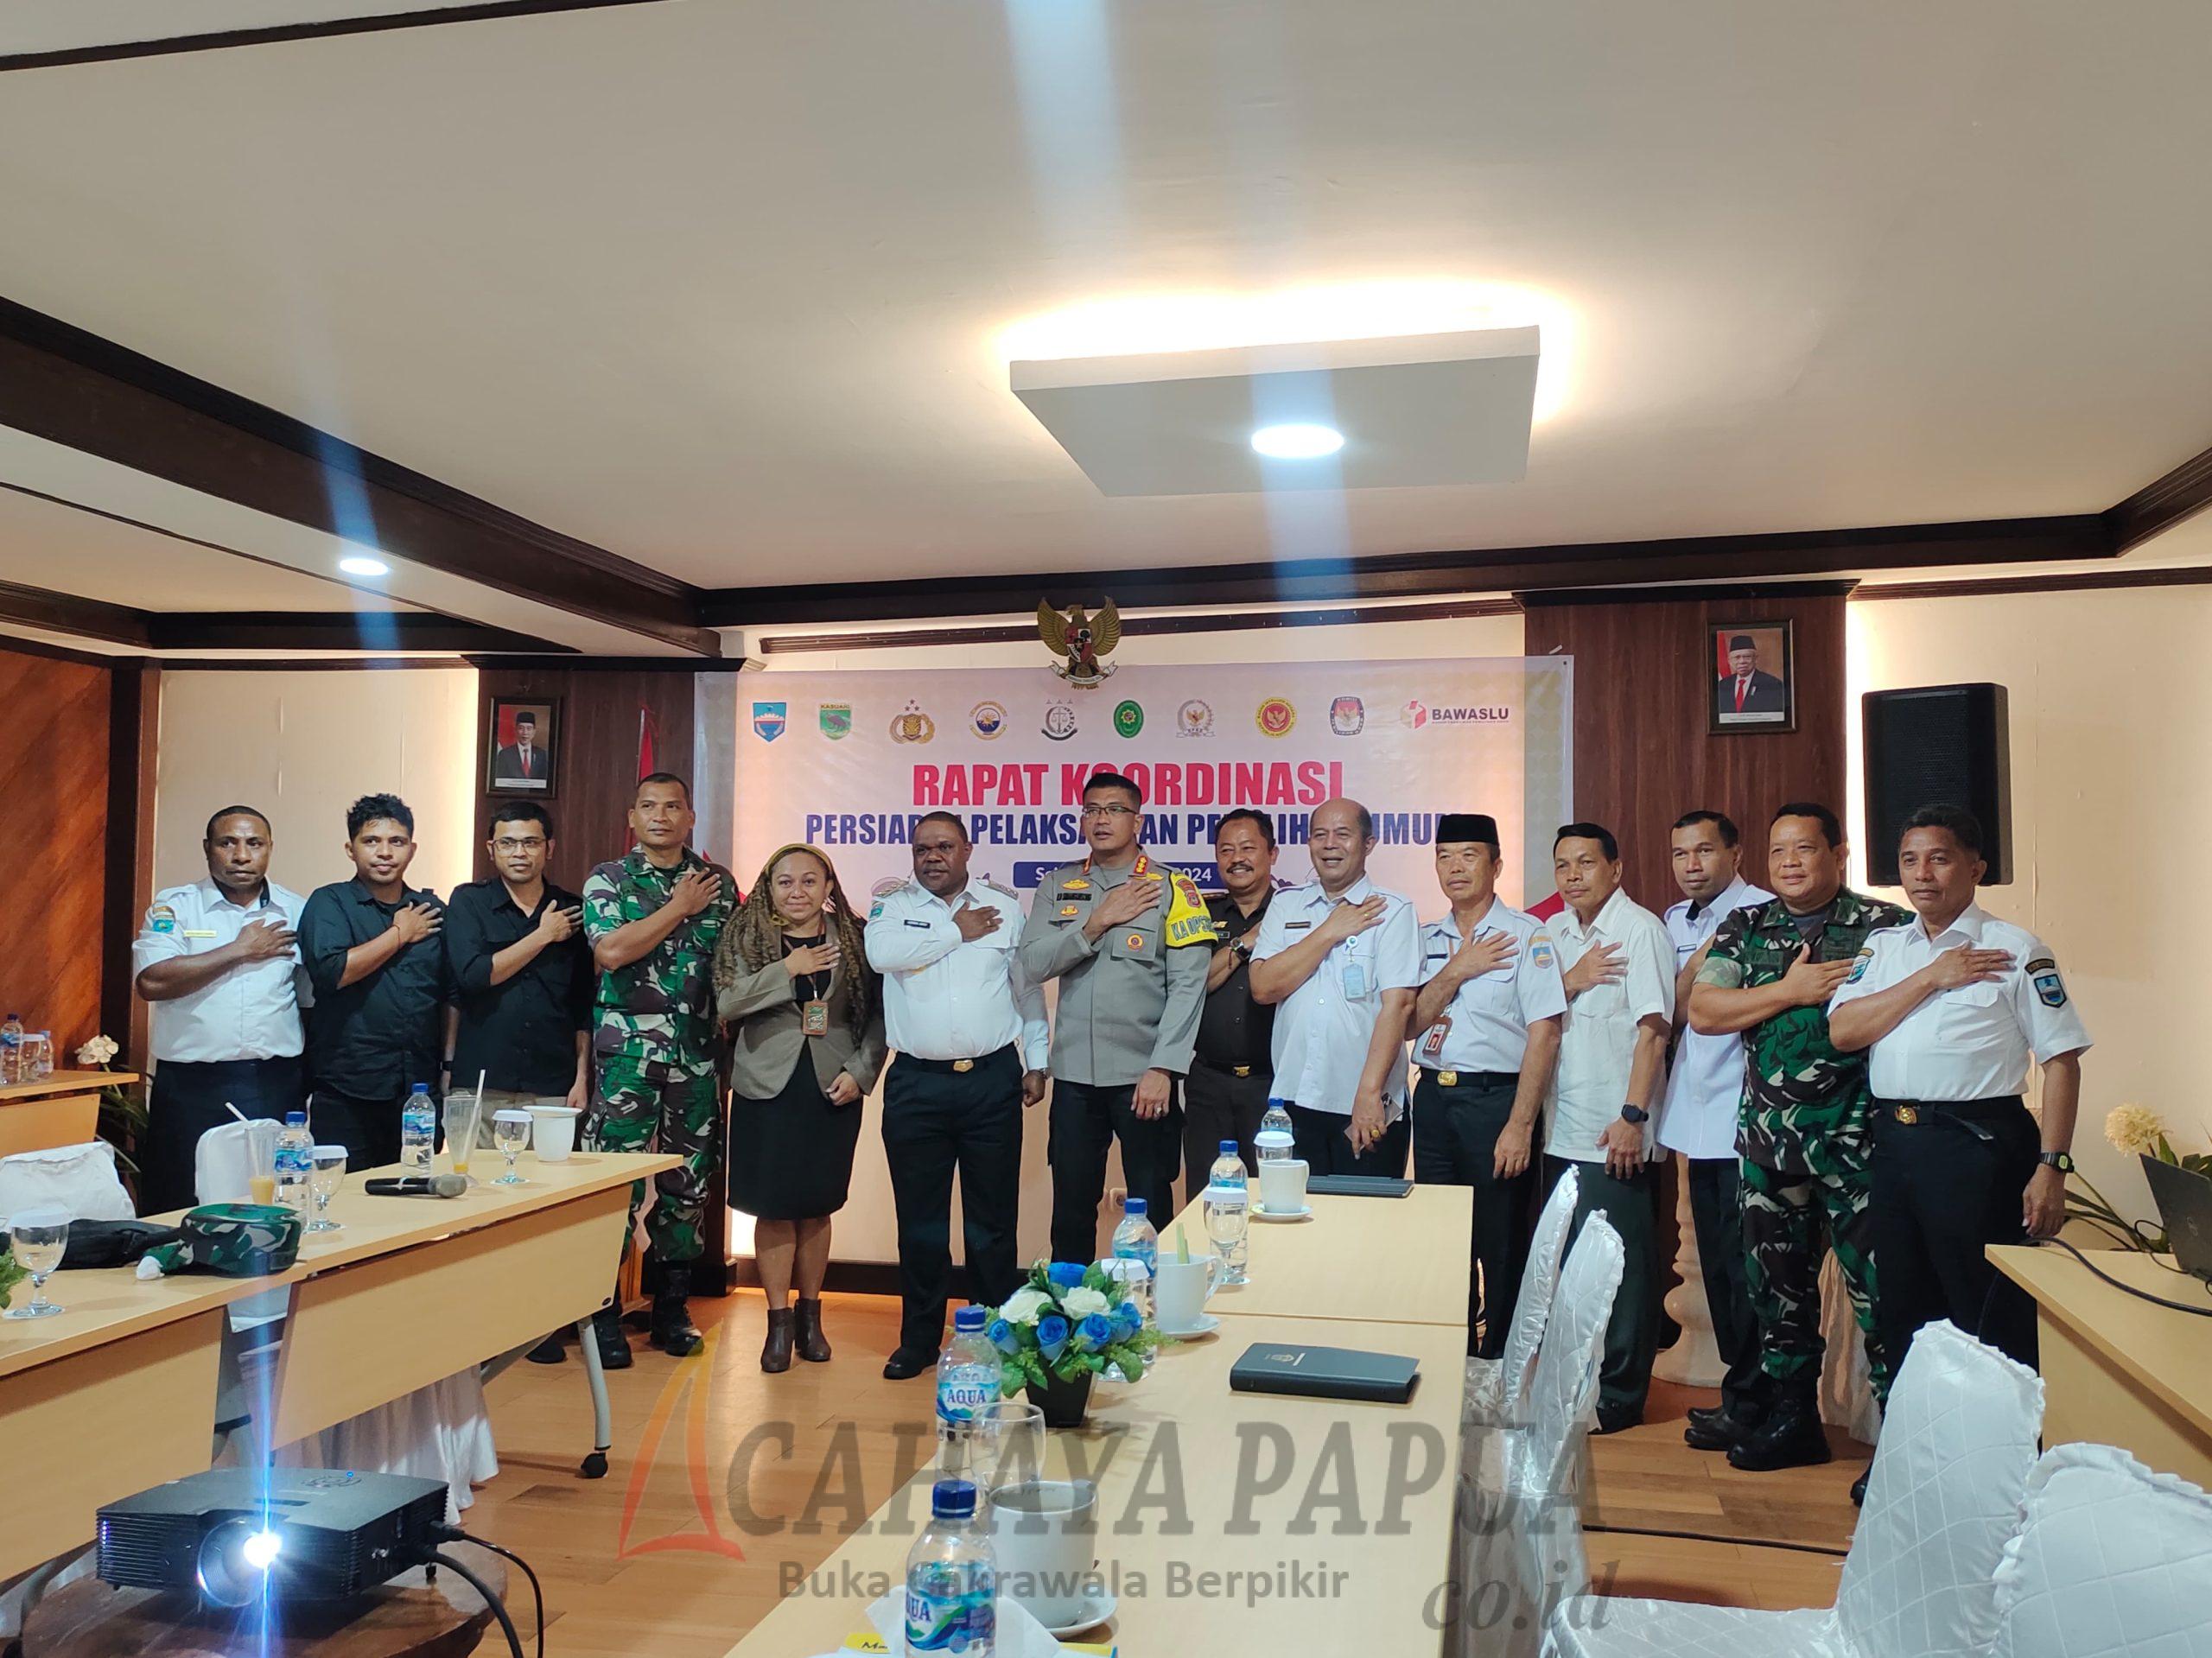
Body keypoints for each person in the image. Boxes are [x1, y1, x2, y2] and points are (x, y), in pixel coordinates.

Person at [1828, 804, 2089, 1375]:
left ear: (1975, 867)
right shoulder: (1884, 947)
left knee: (1987, 1313)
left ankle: (2004, 1435)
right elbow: (1844, 1031)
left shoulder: (2016, 948)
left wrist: (2053, 1167)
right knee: (1905, 1311)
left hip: (1977, 1148)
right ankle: (1917, 1436)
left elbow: (2062, 1061)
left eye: (1939, 859)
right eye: (1909, 860)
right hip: (1896, 1148)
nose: (1922, 873)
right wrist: (1931, 976)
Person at [1688, 802, 1907, 1477]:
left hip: (1859, 1146)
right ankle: (1793, 1421)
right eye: (1778, 850)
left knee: (1882, 1297)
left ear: (1838, 855)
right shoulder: (1747, 925)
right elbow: (1704, 1010)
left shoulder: (1884, 926)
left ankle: (1901, 1447)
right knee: (1777, 1294)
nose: (1789, 861)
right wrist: (1790, 989)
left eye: (1805, 848)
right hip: (1769, 1145)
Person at [864, 812, 1047, 1380]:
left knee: (991, 1222)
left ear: (967, 849)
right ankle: (919, 1340)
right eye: (923, 848)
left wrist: (1037, 1059)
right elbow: (882, 956)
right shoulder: (892, 907)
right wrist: (955, 931)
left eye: (944, 846)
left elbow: (1026, 988)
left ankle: (995, 1337)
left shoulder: (1003, 907)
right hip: (916, 1083)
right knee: (920, 1224)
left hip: (992, 1079)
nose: (933, 857)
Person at [1018, 770, 1216, 1267]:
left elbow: (1188, 986)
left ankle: (1153, 1304)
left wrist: (1164, 1068)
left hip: (1142, 1077)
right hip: (1075, 1079)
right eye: (1091, 810)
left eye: (1113, 810)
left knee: (1151, 1207)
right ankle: (1070, 1309)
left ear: (1138, 821)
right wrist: (1096, 922)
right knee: (1070, 1211)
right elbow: (1031, 964)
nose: (1100, 820)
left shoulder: (1172, 887)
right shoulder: (1058, 885)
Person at [582, 773, 737, 1368]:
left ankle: (671, 1308)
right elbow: (610, 951)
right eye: (649, 806)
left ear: (690, 817)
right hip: (627, 1057)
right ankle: (601, 1312)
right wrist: (678, 908)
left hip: (695, 1057)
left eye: (673, 807)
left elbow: (735, 966)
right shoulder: (610, 878)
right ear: (632, 816)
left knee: (688, 1186)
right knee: (613, 1184)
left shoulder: (718, 884)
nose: (661, 816)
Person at [717, 842, 886, 1373]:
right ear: (769, 887)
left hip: (831, 1083)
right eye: (785, 882)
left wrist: (861, 1073)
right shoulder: (748, 936)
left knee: (816, 1205)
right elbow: (726, 1002)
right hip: (765, 1084)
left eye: (810, 881)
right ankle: (778, 1323)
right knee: (773, 1207)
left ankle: (812, 1319)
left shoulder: (854, 938)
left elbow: (879, 1015)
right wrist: (788, 968)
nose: (797, 892)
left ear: (829, 887)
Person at [1409, 812, 1566, 1357]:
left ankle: (1501, 1364)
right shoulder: (1425, 938)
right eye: (1444, 856)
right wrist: (1457, 968)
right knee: (1441, 1237)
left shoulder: (1527, 936)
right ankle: (1450, 1357)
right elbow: (1409, 1023)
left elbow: (1545, 1033)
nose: (1455, 867)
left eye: (1469, 855)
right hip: (1433, 1098)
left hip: (1496, 1100)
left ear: (1496, 865)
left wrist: (1520, 1124)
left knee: (1501, 1240)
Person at [1544, 822, 1675, 1432]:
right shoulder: (1553, 932)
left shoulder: (1640, 930)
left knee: (1624, 1270)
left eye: (1586, 863)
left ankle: (1621, 1395)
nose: (1573, 876)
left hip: (1613, 1129)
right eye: (1562, 865)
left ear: (1616, 869)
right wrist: (1568, 979)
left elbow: (1654, 1031)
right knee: (1573, 1268)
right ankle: (1578, 1383)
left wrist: (1632, 1116)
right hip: (1559, 1127)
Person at [1658, 810, 1775, 1453]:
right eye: (1680, 854)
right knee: (1721, 1267)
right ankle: (1741, 1394)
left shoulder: (1764, 915)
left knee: (1750, 1267)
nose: (1692, 865)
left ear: (1736, 853)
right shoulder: (1675, 921)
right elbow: (1671, 1010)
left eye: (1704, 850)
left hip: (1746, 1115)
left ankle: (1759, 1400)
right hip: (1694, 1116)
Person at [130, 806, 309, 1214]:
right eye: (228, 843)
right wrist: (240, 950)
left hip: (274, 1081)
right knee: (179, 1201)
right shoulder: (176, 907)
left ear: (270, 848)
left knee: (273, 1200)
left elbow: (309, 998)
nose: (241, 855)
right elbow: (151, 982)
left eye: (254, 844)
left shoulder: (296, 910)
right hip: (191, 1086)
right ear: (207, 848)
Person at [1247, 797, 1421, 1176]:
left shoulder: (1392, 910)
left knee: (1364, 1212)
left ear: (1368, 844)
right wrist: (1328, 932)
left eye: (1342, 834)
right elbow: (1263, 987)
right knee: (1297, 1209)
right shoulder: (1287, 904)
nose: (1329, 845)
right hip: (1293, 1100)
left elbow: (1399, 1007)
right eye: (1319, 835)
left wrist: (1369, 1093)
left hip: (1365, 1104)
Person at [296, 794, 448, 1166]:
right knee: (345, 1193)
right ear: (351, 849)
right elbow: (332, 973)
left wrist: (448, 1068)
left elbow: (449, 993)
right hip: (346, 1087)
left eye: (396, 841)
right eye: (371, 841)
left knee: (416, 1188)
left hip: (418, 1089)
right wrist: (399, 934)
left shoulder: (431, 911)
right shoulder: (329, 902)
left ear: (412, 849)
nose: (384, 852)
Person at [1185, 808, 1279, 1191]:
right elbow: (1189, 987)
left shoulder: (1293, 914)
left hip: (1273, 1085)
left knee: (1273, 1195)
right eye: (1226, 850)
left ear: (1272, 854)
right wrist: (1245, 943)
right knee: (1206, 1196)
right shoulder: (1200, 915)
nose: (1237, 858)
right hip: (1209, 1083)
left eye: (1247, 848)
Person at [1715, 635, 1786, 721]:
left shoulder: (1772, 684)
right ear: (1730, 661)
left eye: (1747, 657)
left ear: (1755, 659)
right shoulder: (1722, 685)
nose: (1742, 661)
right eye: (1737, 657)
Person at [493, 710, 548, 788]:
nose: (525, 733)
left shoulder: (541, 754)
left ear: (534, 732)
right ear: (515, 730)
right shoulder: (505, 754)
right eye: (521, 728)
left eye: (529, 729)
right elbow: (500, 781)